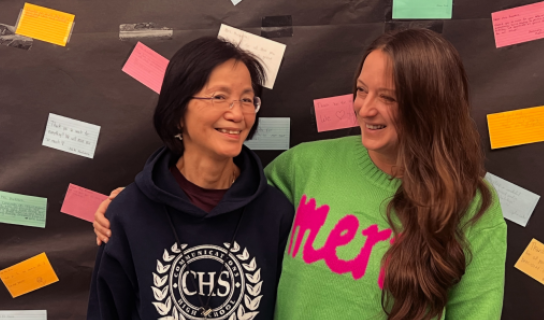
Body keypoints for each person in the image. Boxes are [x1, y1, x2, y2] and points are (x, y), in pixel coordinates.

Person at [93, 29, 507, 320]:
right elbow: (219, 197)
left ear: (431, 106)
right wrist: (135, 200)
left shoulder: (473, 207)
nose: (365, 109)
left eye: (389, 98)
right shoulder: (304, 165)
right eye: (361, 90)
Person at [87, 37, 294, 320]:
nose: (237, 113)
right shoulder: (127, 213)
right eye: (219, 96)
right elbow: (106, 311)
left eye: (247, 99)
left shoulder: (276, 212)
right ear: (177, 113)